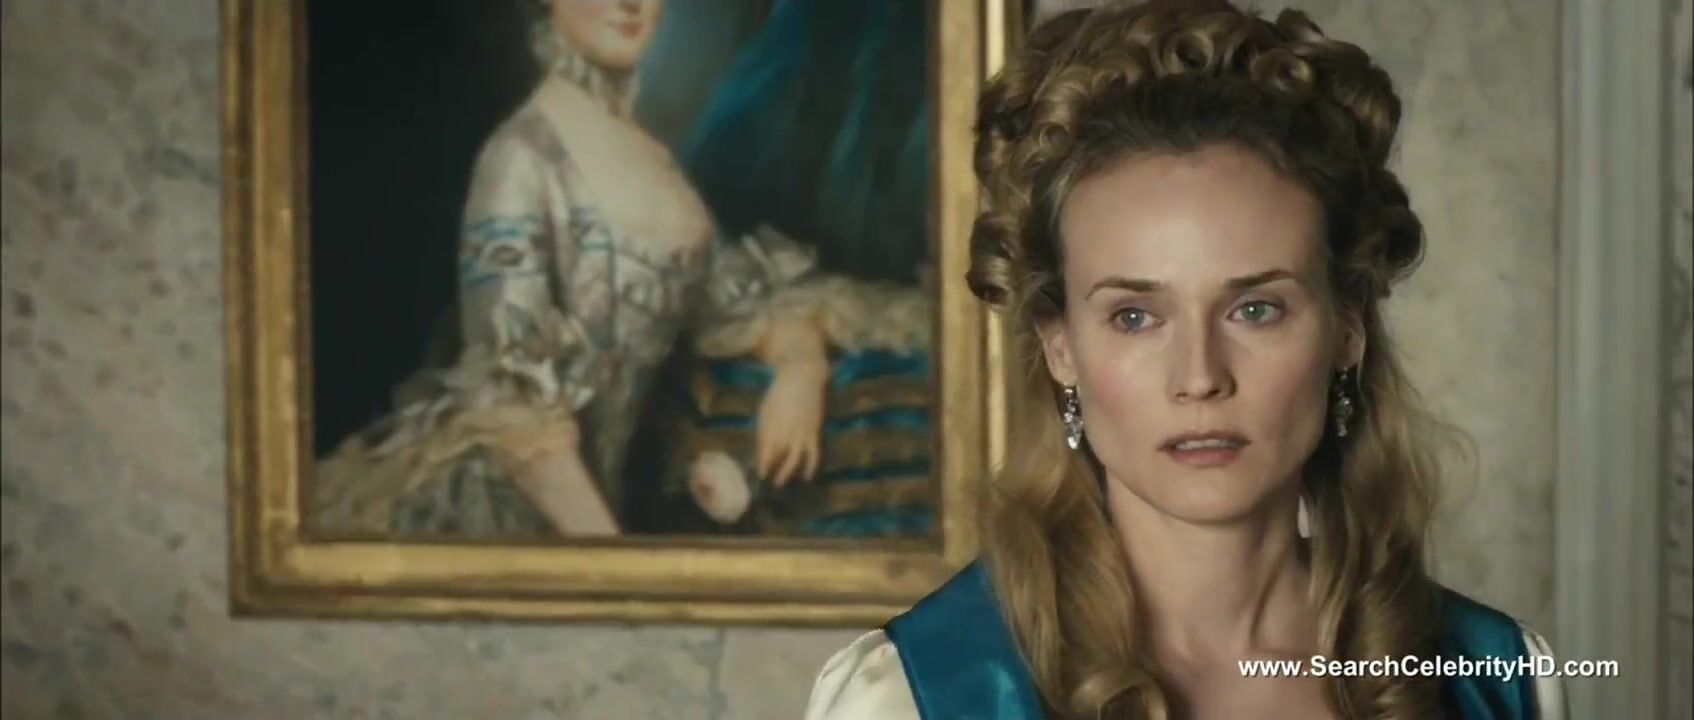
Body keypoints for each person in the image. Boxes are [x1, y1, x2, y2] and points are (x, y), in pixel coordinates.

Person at [804, 2, 1565, 718]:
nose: (1200, 377)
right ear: (1061, 346)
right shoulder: (919, 694)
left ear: (1347, 329)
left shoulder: (1495, 678)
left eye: (1255, 309)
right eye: (1135, 317)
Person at [310, 0, 831, 537]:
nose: (630, 4)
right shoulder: (521, 156)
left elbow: (742, 304)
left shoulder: (654, 161)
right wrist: (609, 556)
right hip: (519, 508)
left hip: (610, 505)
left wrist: (801, 370)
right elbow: (514, 414)